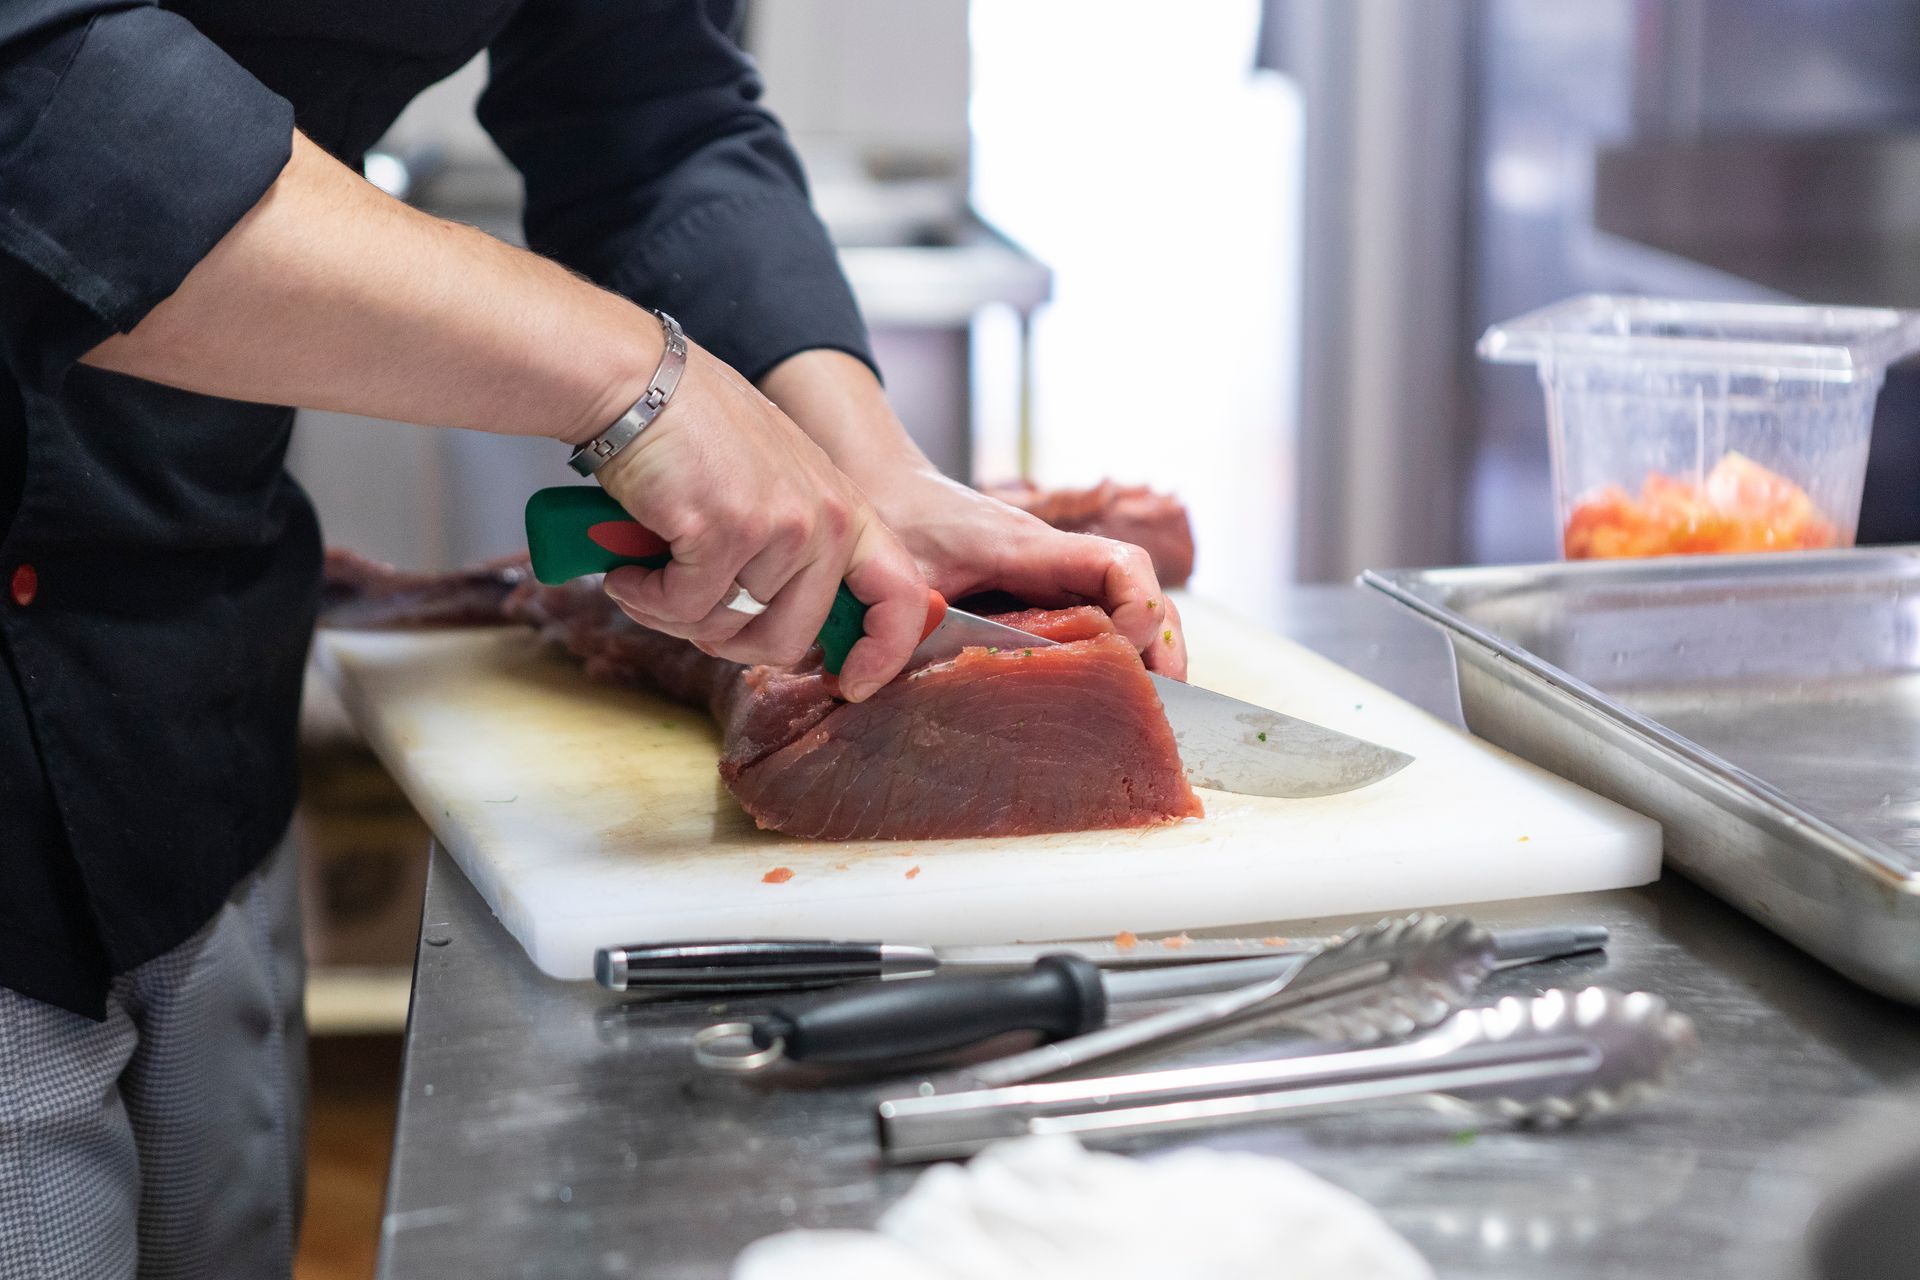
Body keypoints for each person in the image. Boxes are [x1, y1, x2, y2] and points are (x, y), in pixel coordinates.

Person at [0, 0, 1188, 1273]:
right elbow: (44, 93)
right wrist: (634, 377)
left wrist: (865, 464)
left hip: (194, 666)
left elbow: (645, 100)